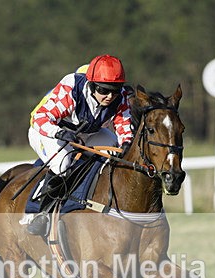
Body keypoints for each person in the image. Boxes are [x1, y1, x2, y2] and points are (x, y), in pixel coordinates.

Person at [26, 54, 134, 235]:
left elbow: (124, 126)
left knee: (113, 150)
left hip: (83, 134)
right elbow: (40, 118)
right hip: (46, 130)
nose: (109, 96)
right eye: (103, 90)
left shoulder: (119, 97)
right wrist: (59, 133)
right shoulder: (72, 88)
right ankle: (40, 213)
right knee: (62, 164)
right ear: (91, 84)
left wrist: (125, 144)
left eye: (114, 91)